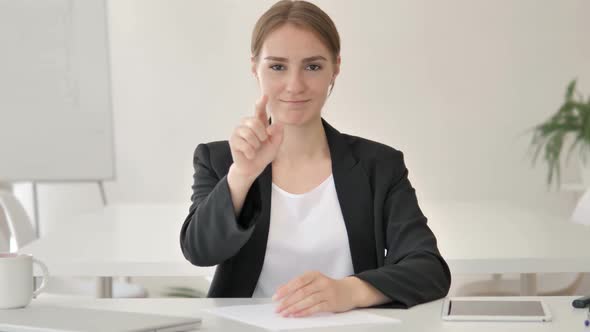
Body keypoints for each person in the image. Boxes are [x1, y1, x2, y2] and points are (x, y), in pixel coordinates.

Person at [180, 0, 450, 317]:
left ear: (335, 67)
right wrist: (242, 174)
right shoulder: (219, 159)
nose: (295, 86)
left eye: (313, 66)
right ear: (255, 67)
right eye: (277, 66)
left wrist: (349, 290)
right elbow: (199, 251)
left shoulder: (379, 166)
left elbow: (429, 268)